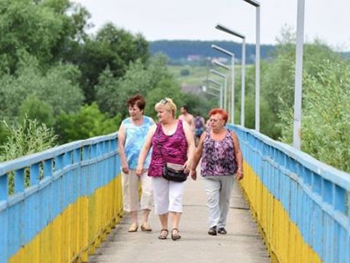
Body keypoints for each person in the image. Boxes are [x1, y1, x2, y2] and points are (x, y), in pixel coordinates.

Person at [136, 98, 195, 241]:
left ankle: (175, 228)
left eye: (161, 112)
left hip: (178, 168)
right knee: (161, 199)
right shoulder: (154, 128)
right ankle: (164, 228)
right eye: (158, 112)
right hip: (158, 168)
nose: (159, 115)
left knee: (176, 197)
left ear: (171, 112)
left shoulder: (183, 125)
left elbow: (191, 144)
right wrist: (139, 164)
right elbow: (145, 147)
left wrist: (190, 160)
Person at [191, 108, 244, 236]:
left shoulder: (231, 135)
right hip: (209, 172)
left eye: (216, 120)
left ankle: (221, 225)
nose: (212, 122)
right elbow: (198, 152)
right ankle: (213, 225)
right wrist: (193, 168)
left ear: (223, 121)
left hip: (227, 172)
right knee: (212, 198)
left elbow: (237, 152)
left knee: (224, 199)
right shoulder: (205, 135)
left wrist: (240, 168)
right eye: (211, 120)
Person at [118, 94, 155, 232]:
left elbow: (156, 140)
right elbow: (120, 144)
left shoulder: (150, 122)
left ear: (141, 110)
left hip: (147, 163)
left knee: (149, 190)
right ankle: (134, 222)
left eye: (134, 109)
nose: (132, 111)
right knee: (130, 192)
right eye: (130, 109)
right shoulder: (125, 123)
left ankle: (145, 220)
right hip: (130, 163)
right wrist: (123, 163)